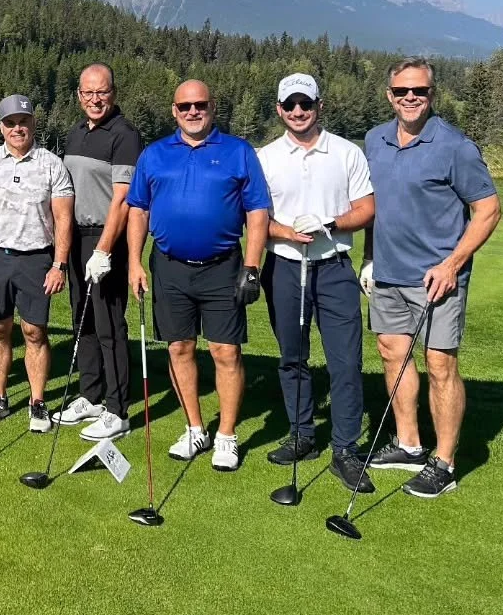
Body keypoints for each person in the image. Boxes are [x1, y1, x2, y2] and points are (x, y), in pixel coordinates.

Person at [362, 58, 500, 499]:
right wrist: (368, 258)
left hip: (437, 277)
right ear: (389, 95)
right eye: (401, 91)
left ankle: (444, 463)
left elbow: (488, 209)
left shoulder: (455, 146)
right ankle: (408, 444)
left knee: (441, 365)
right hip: (387, 273)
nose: (409, 98)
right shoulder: (374, 140)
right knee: (392, 355)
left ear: (431, 95)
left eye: (418, 91)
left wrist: (452, 264)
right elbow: (374, 206)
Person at [126, 79, 270, 472]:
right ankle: (194, 428)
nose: (193, 111)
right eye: (185, 106)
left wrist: (252, 266)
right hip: (169, 267)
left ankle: (226, 435)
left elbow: (258, 212)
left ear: (212, 107)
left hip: (223, 267)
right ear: (174, 111)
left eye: (200, 105)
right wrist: (134, 262)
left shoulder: (238, 152)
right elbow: (137, 209)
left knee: (226, 351)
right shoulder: (155, 155)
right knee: (178, 349)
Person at [256, 73, 376, 492]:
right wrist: (286, 232)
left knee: (345, 361)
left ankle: (345, 449)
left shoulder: (346, 153)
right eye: (289, 105)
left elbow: (366, 208)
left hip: (335, 266)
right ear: (279, 110)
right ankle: (303, 434)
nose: (298, 112)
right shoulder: (265, 157)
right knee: (293, 356)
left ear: (319, 105)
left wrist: (330, 223)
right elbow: (253, 219)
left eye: (305, 103)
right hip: (285, 266)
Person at [0, 95, 74, 430]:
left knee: (34, 331)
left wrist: (59, 264)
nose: (17, 128)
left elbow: (63, 218)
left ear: (33, 124)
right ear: (1, 126)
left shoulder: (51, 164)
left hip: (37, 258)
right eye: (10, 123)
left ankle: (38, 402)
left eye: (23, 122)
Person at [54, 62, 142, 443]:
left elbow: (122, 200)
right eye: (88, 92)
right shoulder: (76, 133)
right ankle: (91, 395)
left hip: (106, 239)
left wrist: (105, 249)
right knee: (83, 319)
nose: (95, 99)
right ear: (78, 95)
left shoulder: (124, 135)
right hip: (75, 237)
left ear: (114, 93)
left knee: (109, 324)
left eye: (102, 92)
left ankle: (118, 409)